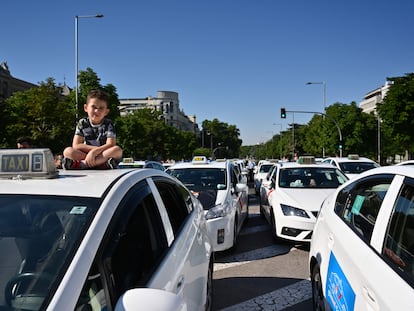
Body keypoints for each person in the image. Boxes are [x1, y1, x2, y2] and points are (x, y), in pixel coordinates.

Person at [63, 89, 123, 169]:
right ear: (86, 108)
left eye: (101, 108)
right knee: (68, 151)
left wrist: (95, 152)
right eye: (93, 107)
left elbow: (111, 144)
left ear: (106, 111)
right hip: (88, 154)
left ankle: (83, 164)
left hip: (103, 153)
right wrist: (92, 152)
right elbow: (76, 145)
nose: (97, 111)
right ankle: (101, 164)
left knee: (117, 150)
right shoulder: (82, 123)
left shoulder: (109, 124)